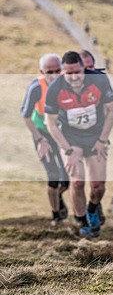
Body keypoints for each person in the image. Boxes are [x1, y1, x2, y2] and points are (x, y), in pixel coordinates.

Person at [45, 51, 113, 238]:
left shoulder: (99, 80)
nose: (74, 77)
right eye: (69, 73)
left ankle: (92, 208)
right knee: (77, 182)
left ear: (83, 68)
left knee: (98, 187)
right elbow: (50, 123)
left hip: (95, 136)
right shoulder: (55, 89)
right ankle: (83, 222)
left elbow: (112, 109)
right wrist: (67, 149)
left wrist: (102, 139)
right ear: (63, 72)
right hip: (71, 138)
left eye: (77, 71)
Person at [20, 53, 69, 225]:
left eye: (58, 70)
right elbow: (26, 116)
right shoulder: (36, 87)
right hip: (43, 134)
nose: (55, 75)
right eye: (50, 72)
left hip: (61, 134)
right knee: (53, 175)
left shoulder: (67, 82)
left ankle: (59, 196)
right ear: (42, 71)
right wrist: (40, 140)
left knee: (67, 178)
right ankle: (56, 216)